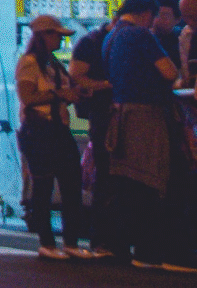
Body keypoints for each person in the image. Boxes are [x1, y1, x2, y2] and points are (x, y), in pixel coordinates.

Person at [101, 0, 192, 271]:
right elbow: (168, 73)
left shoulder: (111, 37)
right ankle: (153, 250)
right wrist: (178, 77)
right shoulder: (140, 35)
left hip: (120, 116)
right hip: (146, 117)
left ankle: (129, 247)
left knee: (131, 183)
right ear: (146, 14)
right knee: (153, 181)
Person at [16, 14, 87, 259]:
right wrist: (61, 95)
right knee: (43, 186)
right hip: (39, 131)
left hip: (60, 129)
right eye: (56, 34)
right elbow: (28, 98)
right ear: (42, 35)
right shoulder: (29, 63)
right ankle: (47, 242)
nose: (60, 39)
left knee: (71, 185)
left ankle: (71, 241)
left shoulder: (53, 62)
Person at [68, 17, 117, 259]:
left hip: (101, 118)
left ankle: (104, 240)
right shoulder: (92, 42)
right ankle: (100, 240)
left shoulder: (94, 41)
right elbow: (76, 77)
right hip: (102, 117)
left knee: (108, 176)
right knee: (106, 176)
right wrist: (107, 85)